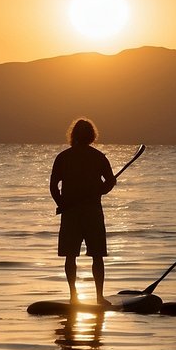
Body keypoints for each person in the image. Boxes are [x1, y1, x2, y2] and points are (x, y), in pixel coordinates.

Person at [50, 118, 116, 302]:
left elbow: (53, 187)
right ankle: (99, 296)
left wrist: (61, 203)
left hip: (72, 213)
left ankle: (73, 295)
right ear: (92, 136)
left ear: (73, 135)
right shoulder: (98, 157)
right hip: (92, 212)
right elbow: (111, 182)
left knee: (71, 257)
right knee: (97, 256)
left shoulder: (63, 157)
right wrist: (100, 191)